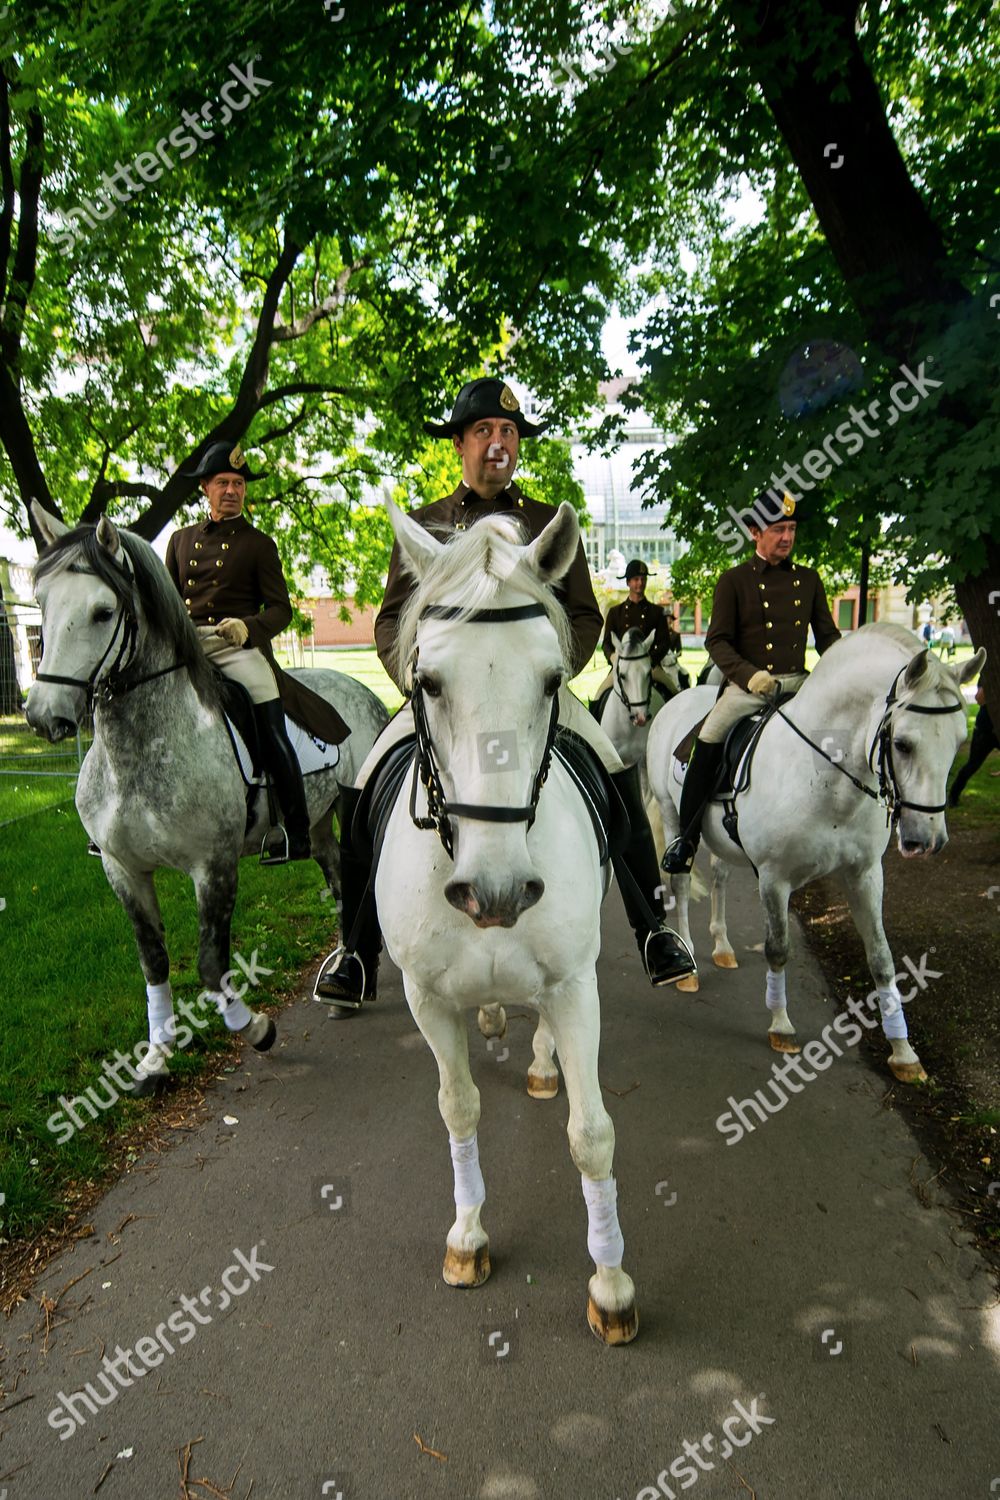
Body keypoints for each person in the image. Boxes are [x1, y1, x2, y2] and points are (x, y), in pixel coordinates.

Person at [315, 377, 696, 1008]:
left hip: (535, 693)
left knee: (615, 772)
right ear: (460, 443)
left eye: (510, 432)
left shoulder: (548, 523)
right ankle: (356, 950)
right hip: (443, 697)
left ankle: (651, 927)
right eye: (486, 431)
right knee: (361, 793)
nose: (500, 443)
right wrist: (415, 675)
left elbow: (582, 617)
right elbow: (389, 619)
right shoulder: (428, 525)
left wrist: (546, 673)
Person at [165, 440, 348, 861]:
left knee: (271, 729)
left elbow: (281, 609)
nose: (232, 490)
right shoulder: (179, 541)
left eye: (239, 484)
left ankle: (296, 831)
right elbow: (167, 600)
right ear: (205, 489)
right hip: (189, 646)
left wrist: (247, 628)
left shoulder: (258, 544)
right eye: (223, 483)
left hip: (237, 649)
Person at [661, 492, 841, 874]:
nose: (787, 537)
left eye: (791, 529)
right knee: (708, 740)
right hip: (747, 688)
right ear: (755, 532)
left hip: (797, 684)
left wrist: (844, 666)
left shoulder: (808, 580)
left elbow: (827, 637)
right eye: (778, 529)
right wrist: (750, 676)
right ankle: (687, 839)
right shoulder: (735, 581)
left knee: (838, 738)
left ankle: (840, 821)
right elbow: (717, 641)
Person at [591, 559, 682, 709]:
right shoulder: (615, 613)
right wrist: (613, 657)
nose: (640, 583)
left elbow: (664, 643)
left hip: (650, 668)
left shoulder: (657, 612)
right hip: (622, 667)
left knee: (674, 693)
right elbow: (607, 643)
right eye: (635, 579)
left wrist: (648, 660)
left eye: (643, 579)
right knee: (598, 697)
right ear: (628, 582)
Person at [948, 688, 998, 805]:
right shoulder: (988, 674)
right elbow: (979, 699)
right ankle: (953, 797)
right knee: (972, 764)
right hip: (985, 730)